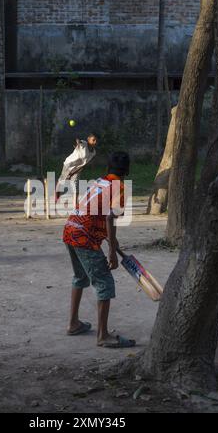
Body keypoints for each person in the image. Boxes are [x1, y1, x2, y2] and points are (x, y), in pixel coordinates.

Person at [63, 152, 136, 348]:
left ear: (107, 169)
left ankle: (73, 324)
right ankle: (103, 336)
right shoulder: (119, 188)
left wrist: (114, 242)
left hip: (70, 229)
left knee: (80, 277)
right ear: (127, 171)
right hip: (84, 238)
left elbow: (100, 216)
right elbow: (110, 218)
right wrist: (112, 250)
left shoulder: (99, 182)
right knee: (105, 283)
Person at [56, 134, 98, 203]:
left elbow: (85, 163)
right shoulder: (84, 144)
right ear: (88, 139)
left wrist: (76, 172)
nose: (95, 142)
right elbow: (78, 141)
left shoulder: (93, 152)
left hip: (77, 169)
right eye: (93, 140)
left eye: (96, 140)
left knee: (75, 188)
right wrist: (77, 142)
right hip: (69, 165)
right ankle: (56, 194)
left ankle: (75, 208)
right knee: (62, 181)